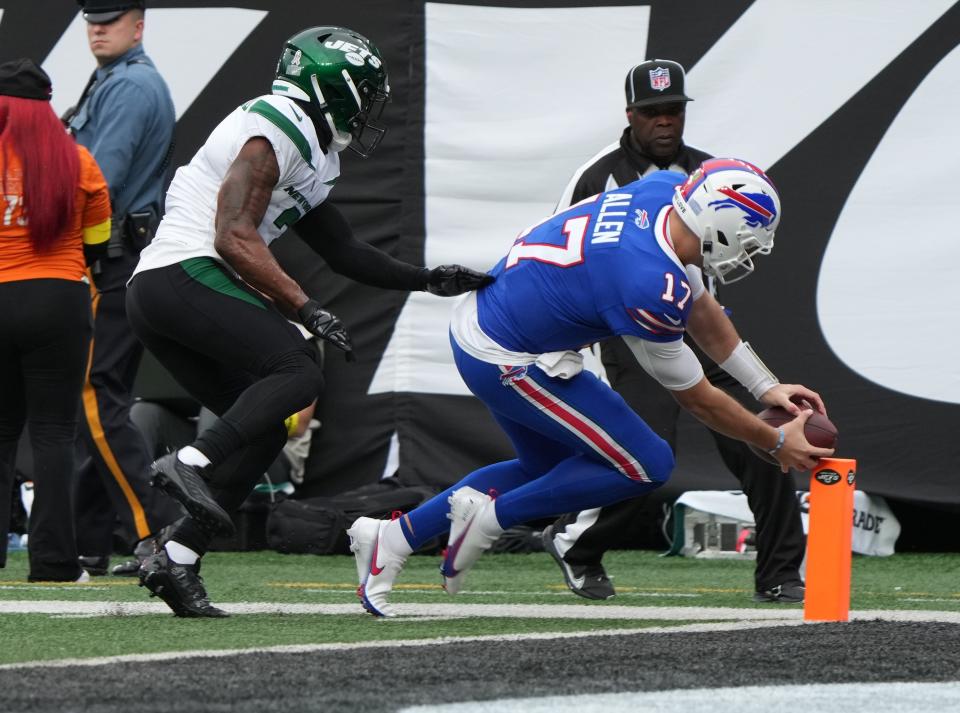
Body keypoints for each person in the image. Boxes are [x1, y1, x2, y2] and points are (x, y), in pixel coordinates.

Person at [348, 157, 835, 618]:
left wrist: (764, 385)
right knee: (647, 463)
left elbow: (703, 311)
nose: (750, 251)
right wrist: (774, 440)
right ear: (720, 222)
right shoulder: (648, 282)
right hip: (508, 355)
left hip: (493, 325)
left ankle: (391, 539)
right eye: (750, 238)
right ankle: (492, 518)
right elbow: (698, 398)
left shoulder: (666, 193)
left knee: (545, 468)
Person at [126, 26, 492, 618]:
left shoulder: (311, 150)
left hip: (167, 290)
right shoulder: (279, 123)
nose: (371, 107)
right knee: (298, 368)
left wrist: (427, 279)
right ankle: (188, 462)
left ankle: (178, 559)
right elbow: (231, 233)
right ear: (332, 87)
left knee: (269, 423)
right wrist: (305, 306)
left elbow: (346, 252)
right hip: (182, 273)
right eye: (365, 92)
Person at [545, 59, 809, 604]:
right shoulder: (597, 175)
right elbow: (560, 250)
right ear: (630, 115)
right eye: (651, 112)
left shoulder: (710, 172)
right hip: (623, 329)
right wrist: (577, 342)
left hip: (696, 318)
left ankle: (781, 572)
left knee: (768, 433)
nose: (664, 122)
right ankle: (577, 541)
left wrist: (758, 378)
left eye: (672, 111)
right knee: (648, 452)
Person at [64, 0, 181, 577]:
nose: (97, 30)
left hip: (110, 261)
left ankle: (158, 531)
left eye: (108, 21)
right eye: (91, 21)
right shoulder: (114, 79)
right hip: (120, 257)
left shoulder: (131, 87)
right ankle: (89, 540)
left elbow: (96, 182)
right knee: (99, 401)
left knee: (95, 394)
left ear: (138, 25)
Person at [0, 58, 112, 581]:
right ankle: (53, 563)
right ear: (47, 108)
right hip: (59, 299)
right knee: (53, 434)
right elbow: (97, 248)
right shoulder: (80, 163)